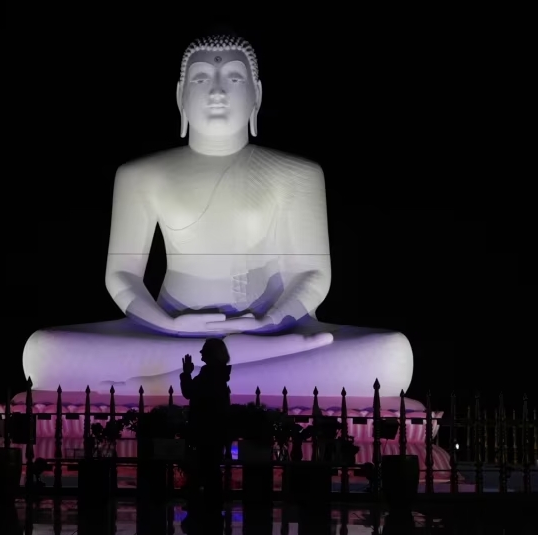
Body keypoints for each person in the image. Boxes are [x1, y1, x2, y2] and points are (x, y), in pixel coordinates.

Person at [21, 34, 414, 404]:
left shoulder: (296, 174)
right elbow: (121, 276)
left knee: (392, 354)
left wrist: (271, 321)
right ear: (180, 96)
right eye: (203, 78)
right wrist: (170, 325)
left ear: (256, 95)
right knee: (44, 351)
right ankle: (228, 372)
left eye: (234, 78)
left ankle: (171, 383)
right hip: (167, 334)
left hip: (275, 330)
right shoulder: (140, 176)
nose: (217, 91)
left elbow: (313, 275)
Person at [179, 338, 232, 502]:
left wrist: (186, 374)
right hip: (213, 432)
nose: (201, 352)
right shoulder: (218, 375)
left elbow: (190, 392)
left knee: (203, 472)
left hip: (204, 432)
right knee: (211, 472)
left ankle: (204, 512)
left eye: (204, 349)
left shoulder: (210, 376)